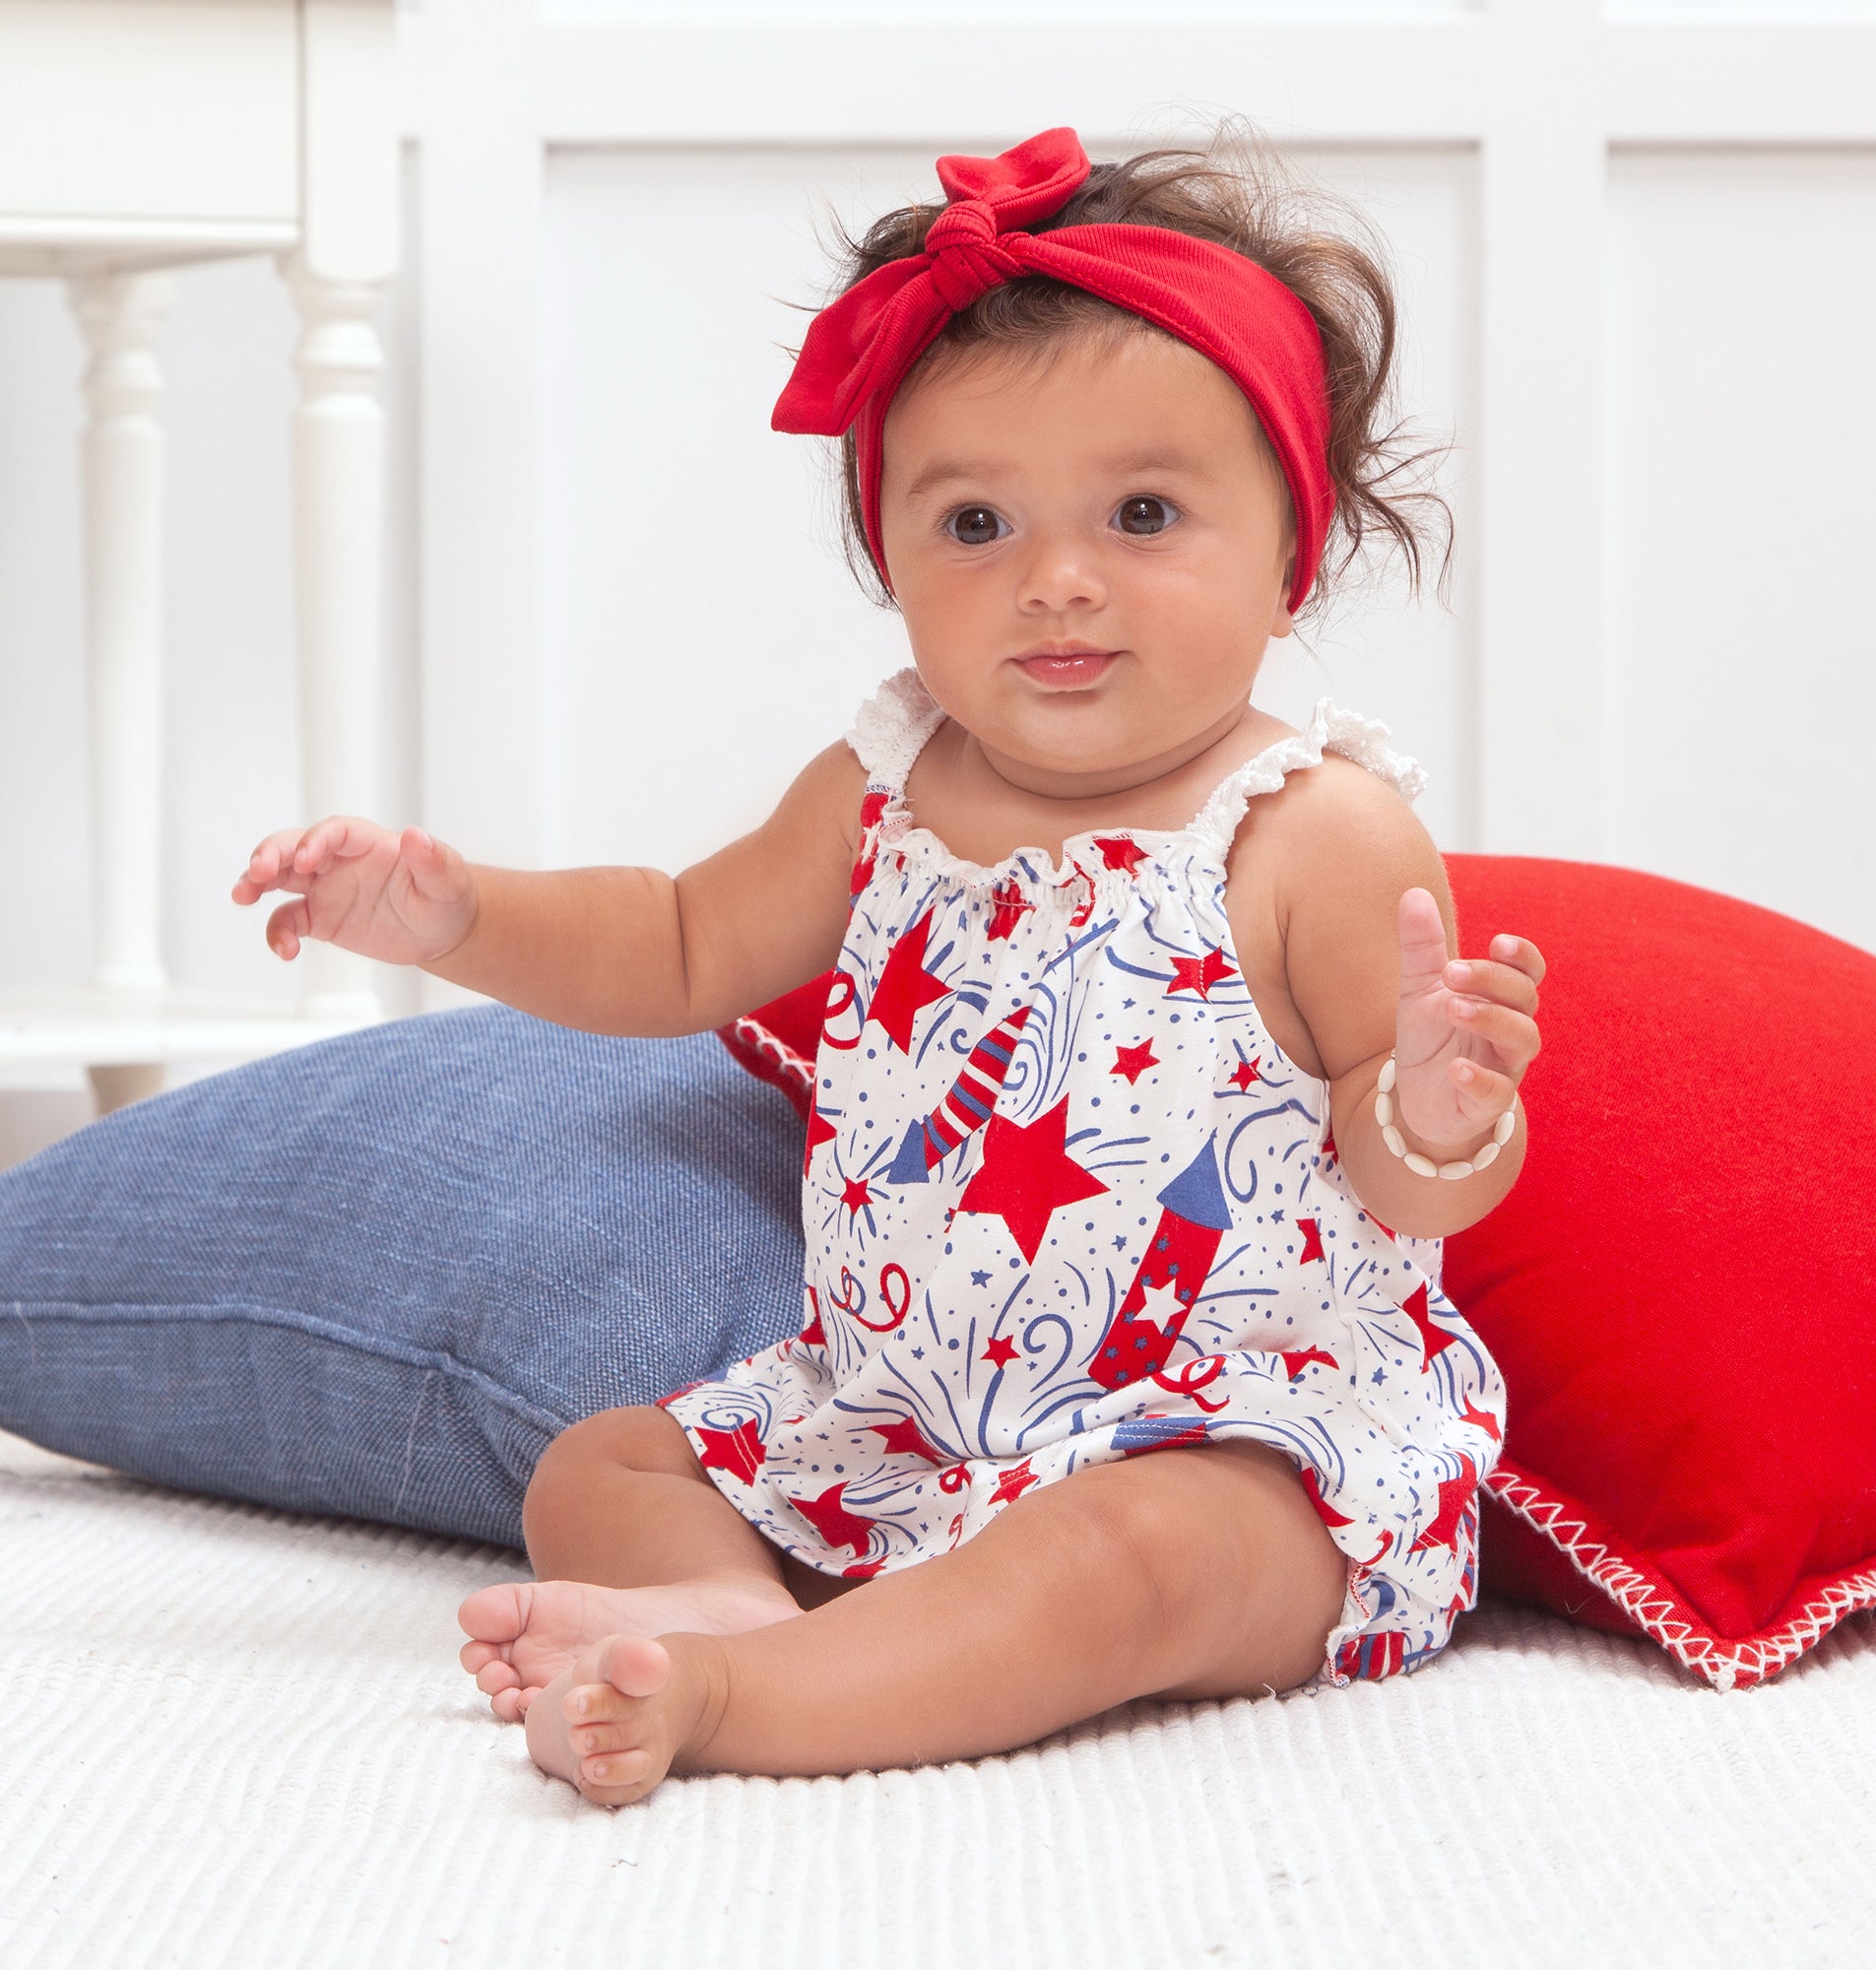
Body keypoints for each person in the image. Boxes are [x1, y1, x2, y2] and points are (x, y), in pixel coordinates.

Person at [232, 127, 1546, 1806]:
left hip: (1242, 1449)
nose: (1055, 579)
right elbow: (683, 937)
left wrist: (1436, 1105)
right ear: (891, 560)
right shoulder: (888, 782)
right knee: (606, 1458)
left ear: (1289, 552)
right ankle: (720, 1602)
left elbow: (1416, 1192)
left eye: (1144, 513)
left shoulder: (1313, 833)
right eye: (976, 521)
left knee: (1127, 1564)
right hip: (902, 1423)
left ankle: (741, 1703)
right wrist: (456, 917)